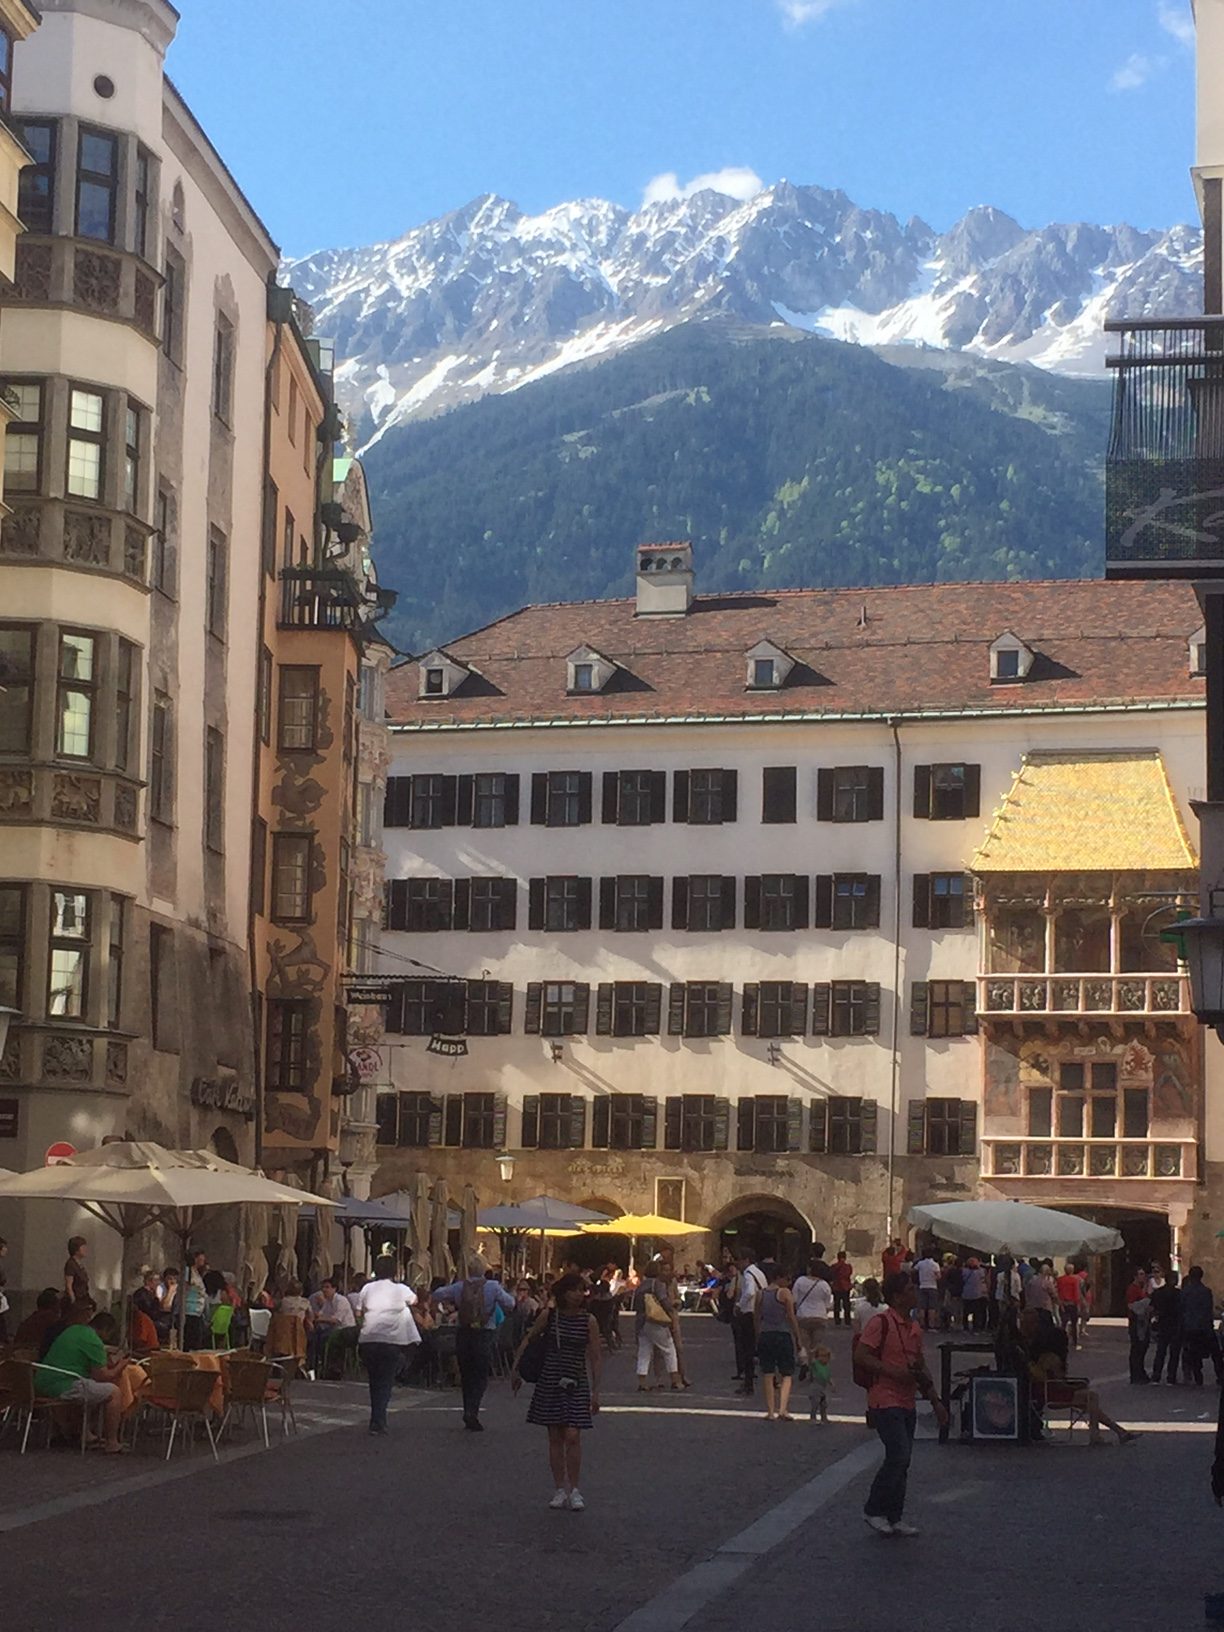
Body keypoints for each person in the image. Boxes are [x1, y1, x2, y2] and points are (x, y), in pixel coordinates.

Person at [857, 1271, 948, 1536]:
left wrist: (936, 1401)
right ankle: (873, 1509)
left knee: (903, 1460)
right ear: (897, 1296)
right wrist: (891, 1371)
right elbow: (861, 1355)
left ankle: (894, 1516)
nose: (915, 1292)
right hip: (884, 1399)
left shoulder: (914, 1328)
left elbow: (920, 1366)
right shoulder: (880, 1323)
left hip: (907, 1400)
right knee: (899, 1454)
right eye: (910, 1289)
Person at [512, 1271, 602, 1511]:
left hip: (576, 1379)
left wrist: (596, 1391)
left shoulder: (588, 1321)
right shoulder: (549, 1316)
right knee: (554, 1436)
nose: (578, 1295)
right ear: (563, 1292)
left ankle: (574, 1488)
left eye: (581, 1290)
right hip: (551, 1377)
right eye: (573, 1289)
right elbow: (529, 1339)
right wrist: (516, 1370)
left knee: (573, 1434)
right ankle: (559, 1488)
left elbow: (595, 1356)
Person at [1022, 1309, 1138, 1446]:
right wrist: (1077, 1385)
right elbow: (1059, 1385)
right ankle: (1097, 1435)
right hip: (1053, 1395)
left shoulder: (1041, 1356)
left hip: (1044, 1392)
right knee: (1091, 1397)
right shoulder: (1053, 1359)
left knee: (1090, 1404)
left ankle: (1119, 1432)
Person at [36, 1300, 129, 1454]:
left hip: (43, 1380)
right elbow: (102, 1376)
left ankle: (85, 1434)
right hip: (63, 1383)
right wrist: (121, 1365)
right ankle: (112, 1441)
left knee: (91, 1389)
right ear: (105, 1330)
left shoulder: (72, 1330)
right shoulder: (94, 1341)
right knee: (114, 1392)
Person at [433, 1256, 515, 1430]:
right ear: (484, 1270)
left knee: (467, 1373)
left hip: (464, 1333)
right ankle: (473, 1410)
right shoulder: (492, 1286)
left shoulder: (460, 1286)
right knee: (480, 1374)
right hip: (484, 1334)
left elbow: (438, 1294)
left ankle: (467, 1408)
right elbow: (510, 1303)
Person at [354, 1255, 420, 1434]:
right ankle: (378, 1420)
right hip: (390, 1340)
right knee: (385, 1381)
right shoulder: (401, 1289)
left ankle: (376, 1417)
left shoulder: (367, 1288)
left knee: (374, 1380)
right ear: (394, 1271)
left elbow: (359, 1312)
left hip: (368, 1339)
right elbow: (415, 1301)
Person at [754, 1261, 802, 1421]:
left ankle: (770, 1411)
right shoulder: (785, 1293)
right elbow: (791, 1317)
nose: (788, 1282)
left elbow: (757, 1317)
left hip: (766, 1334)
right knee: (786, 1373)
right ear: (780, 1278)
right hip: (782, 1334)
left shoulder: (761, 1293)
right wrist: (798, 1338)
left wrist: (757, 1335)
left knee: (767, 1373)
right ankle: (783, 1409)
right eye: (787, 1279)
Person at [632, 1262, 682, 1392]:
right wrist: (671, 1313)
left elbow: (635, 1305)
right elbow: (664, 1301)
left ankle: (642, 1381)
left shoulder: (641, 1285)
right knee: (669, 1349)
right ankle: (675, 1380)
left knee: (644, 1351)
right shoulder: (657, 1284)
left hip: (642, 1322)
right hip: (656, 1320)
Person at [732, 1250, 766, 1397]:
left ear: (746, 1260)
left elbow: (750, 1292)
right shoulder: (759, 1273)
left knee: (747, 1350)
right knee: (755, 1348)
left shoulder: (748, 1274)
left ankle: (748, 1383)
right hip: (759, 1313)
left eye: (738, 1261)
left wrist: (740, 1305)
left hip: (749, 1313)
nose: (737, 1264)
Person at [1179, 1266, 1219, 1386]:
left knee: (1193, 1351)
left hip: (1190, 1326)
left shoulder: (1185, 1292)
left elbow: (1181, 1309)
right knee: (1215, 1352)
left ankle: (1197, 1375)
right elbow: (1208, 1310)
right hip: (1204, 1326)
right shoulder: (1206, 1292)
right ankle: (1220, 1375)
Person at [308, 1278, 355, 1377]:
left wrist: (319, 1319)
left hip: (345, 1330)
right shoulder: (327, 1302)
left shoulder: (341, 1300)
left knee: (323, 1338)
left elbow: (336, 1320)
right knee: (313, 1336)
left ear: (334, 1289)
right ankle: (315, 1365)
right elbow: (321, 1315)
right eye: (323, 1288)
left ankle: (331, 1367)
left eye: (327, 1287)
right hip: (332, 1329)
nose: (324, 1290)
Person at [1149, 1269, 1182, 1386]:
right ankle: (1171, 1377)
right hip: (1175, 1325)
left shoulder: (1158, 1293)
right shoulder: (1179, 1294)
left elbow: (1152, 1308)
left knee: (1161, 1351)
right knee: (1174, 1353)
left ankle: (1156, 1376)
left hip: (1163, 1324)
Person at [1126, 1264, 1152, 1384]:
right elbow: (1131, 1305)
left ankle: (1140, 1372)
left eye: (1143, 1274)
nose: (1143, 1276)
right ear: (1135, 1276)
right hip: (1136, 1320)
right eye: (1141, 1274)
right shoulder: (1133, 1288)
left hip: (1143, 1320)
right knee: (1137, 1347)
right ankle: (1136, 1374)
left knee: (1142, 1347)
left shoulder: (1142, 1288)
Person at [183, 1249, 209, 1350]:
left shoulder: (197, 1272)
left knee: (197, 1339)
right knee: (191, 1340)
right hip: (189, 1309)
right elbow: (185, 1289)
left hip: (197, 1310)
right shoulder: (188, 1271)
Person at [1056, 1261, 1084, 1350]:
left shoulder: (1060, 1280)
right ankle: (1075, 1342)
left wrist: (1059, 1302)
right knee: (1074, 1323)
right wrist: (1078, 1304)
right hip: (1072, 1304)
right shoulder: (1074, 1280)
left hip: (1063, 1303)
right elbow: (1076, 1292)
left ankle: (1061, 1341)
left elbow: (1058, 1291)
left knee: (1063, 1323)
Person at [913, 1249, 940, 1330]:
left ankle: (922, 1325)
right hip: (932, 1286)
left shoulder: (920, 1264)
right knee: (932, 1307)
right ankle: (931, 1325)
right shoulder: (935, 1264)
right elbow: (939, 1276)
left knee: (922, 1307)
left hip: (922, 1286)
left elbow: (913, 1270)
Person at [961, 1258, 989, 1333]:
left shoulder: (964, 1271)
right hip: (977, 1294)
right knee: (976, 1312)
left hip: (966, 1293)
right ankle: (975, 1327)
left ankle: (965, 1327)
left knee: (966, 1311)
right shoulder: (981, 1271)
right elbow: (985, 1280)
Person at [63, 1235, 90, 1312]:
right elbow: (69, 1285)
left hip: (83, 1298)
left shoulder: (79, 1264)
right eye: (83, 1247)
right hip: (77, 1301)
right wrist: (73, 1300)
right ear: (76, 1250)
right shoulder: (71, 1264)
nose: (85, 1249)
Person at [809, 1342, 832, 1424]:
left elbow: (828, 1376)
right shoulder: (816, 1364)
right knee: (815, 1403)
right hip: (815, 1388)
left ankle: (824, 1417)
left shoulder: (827, 1367)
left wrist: (832, 1384)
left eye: (826, 1356)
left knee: (824, 1404)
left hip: (823, 1388)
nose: (823, 1359)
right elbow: (812, 1361)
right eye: (821, 1356)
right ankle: (813, 1417)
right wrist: (813, 1352)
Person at [829, 1251, 854, 1326]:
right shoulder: (848, 1266)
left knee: (836, 1304)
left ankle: (837, 1320)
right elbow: (849, 1274)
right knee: (846, 1304)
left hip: (836, 1287)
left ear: (838, 1257)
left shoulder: (834, 1266)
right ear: (845, 1257)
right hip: (846, 1287)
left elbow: (831, 1274)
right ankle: (847, 1320)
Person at [939, 1256, 964, 1331]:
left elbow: (946, 1280)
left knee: (951, 1307)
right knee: (960, 1308)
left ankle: (951, 1323)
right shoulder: (963, 1271)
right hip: (961, 1291)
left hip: (951, 1290)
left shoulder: (950, 1271)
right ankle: (959, 1323)